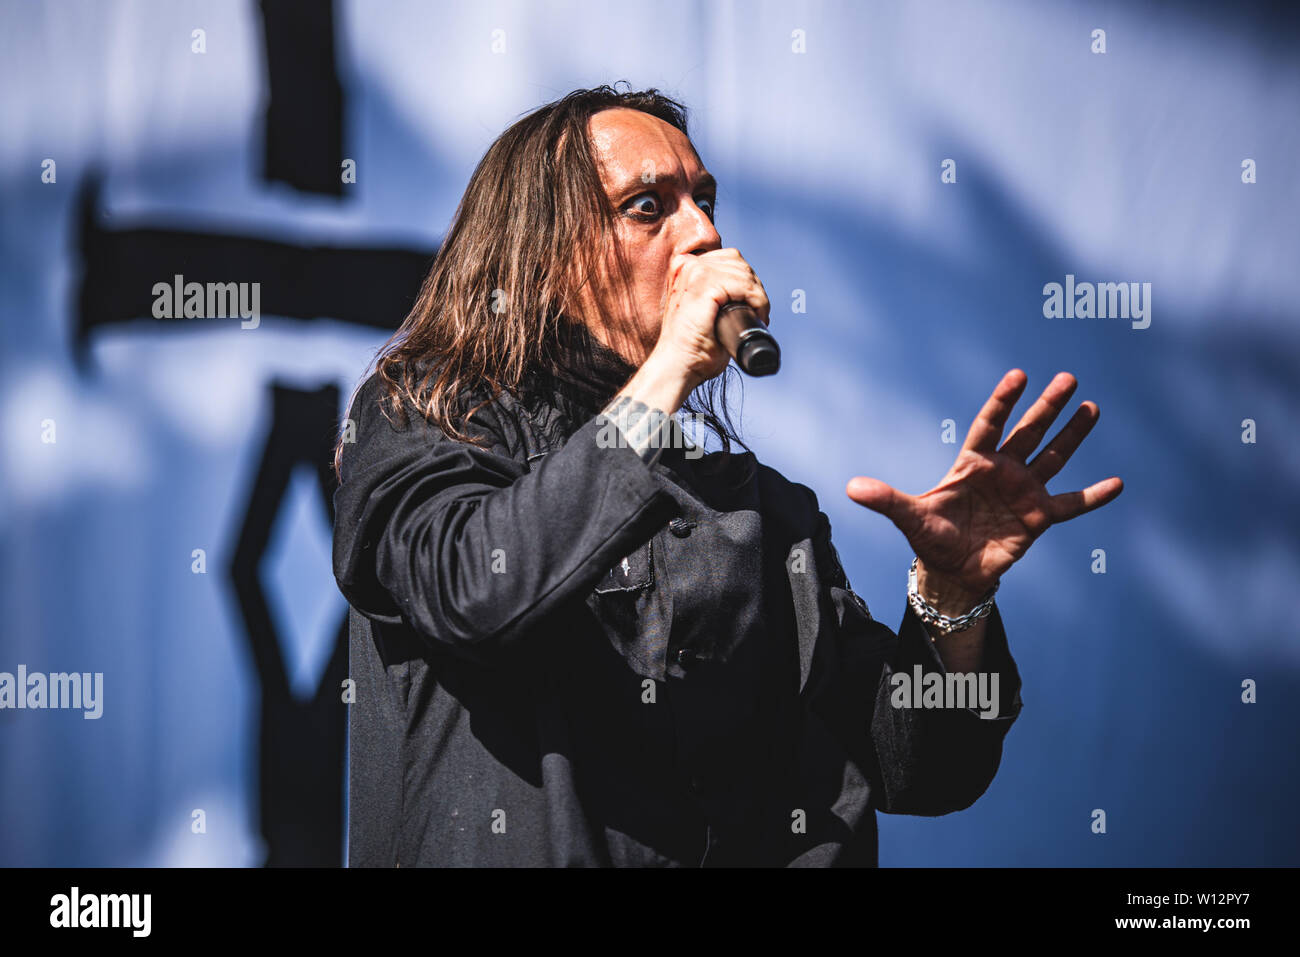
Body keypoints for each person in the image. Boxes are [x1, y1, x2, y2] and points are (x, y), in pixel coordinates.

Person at [331, 84, 1123, 867]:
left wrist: (953, 600)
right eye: (649, 206)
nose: (705, 232)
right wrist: (668, 370)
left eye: (705, 199)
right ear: (538, 252)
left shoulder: (763, 511)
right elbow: (474, 590)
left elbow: (915, 767)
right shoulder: (421, 412)